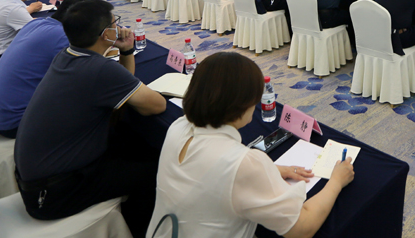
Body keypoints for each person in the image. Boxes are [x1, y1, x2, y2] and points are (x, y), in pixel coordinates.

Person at [147, 52, 354, 238]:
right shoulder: (243, 162)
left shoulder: (178, 126)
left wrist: (274, 170)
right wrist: (336, 181)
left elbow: (208, 173)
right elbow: (301, 228)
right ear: (244, 104)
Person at [13, 0, 167, 237]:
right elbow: (156, 106)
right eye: (115, 23)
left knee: (131, 138)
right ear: (106, 34)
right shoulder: (98, 69)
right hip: (55, 193)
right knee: (154, 169)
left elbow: (121, 84)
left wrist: (126, 51)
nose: (119, 27)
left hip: (40, 176)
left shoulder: (67, 55)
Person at [0, 0, 88, 139]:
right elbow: (82, 77)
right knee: (89, 110)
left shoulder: (35, 24)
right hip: (15, 124)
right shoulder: (62, 36)